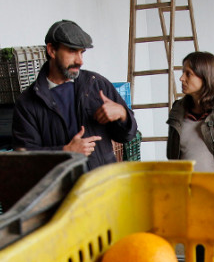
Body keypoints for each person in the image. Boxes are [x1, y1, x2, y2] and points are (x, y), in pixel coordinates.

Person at [12, 19, 137, 171]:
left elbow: (126, 136)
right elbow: (24, 160)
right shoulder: (27, 103)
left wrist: (122, 114)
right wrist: (65, 153)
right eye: (72, 51)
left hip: (103, 187)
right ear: (51, 50)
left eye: (81, 52)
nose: (80, 61)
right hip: (63, 193)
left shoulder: (96, 84)